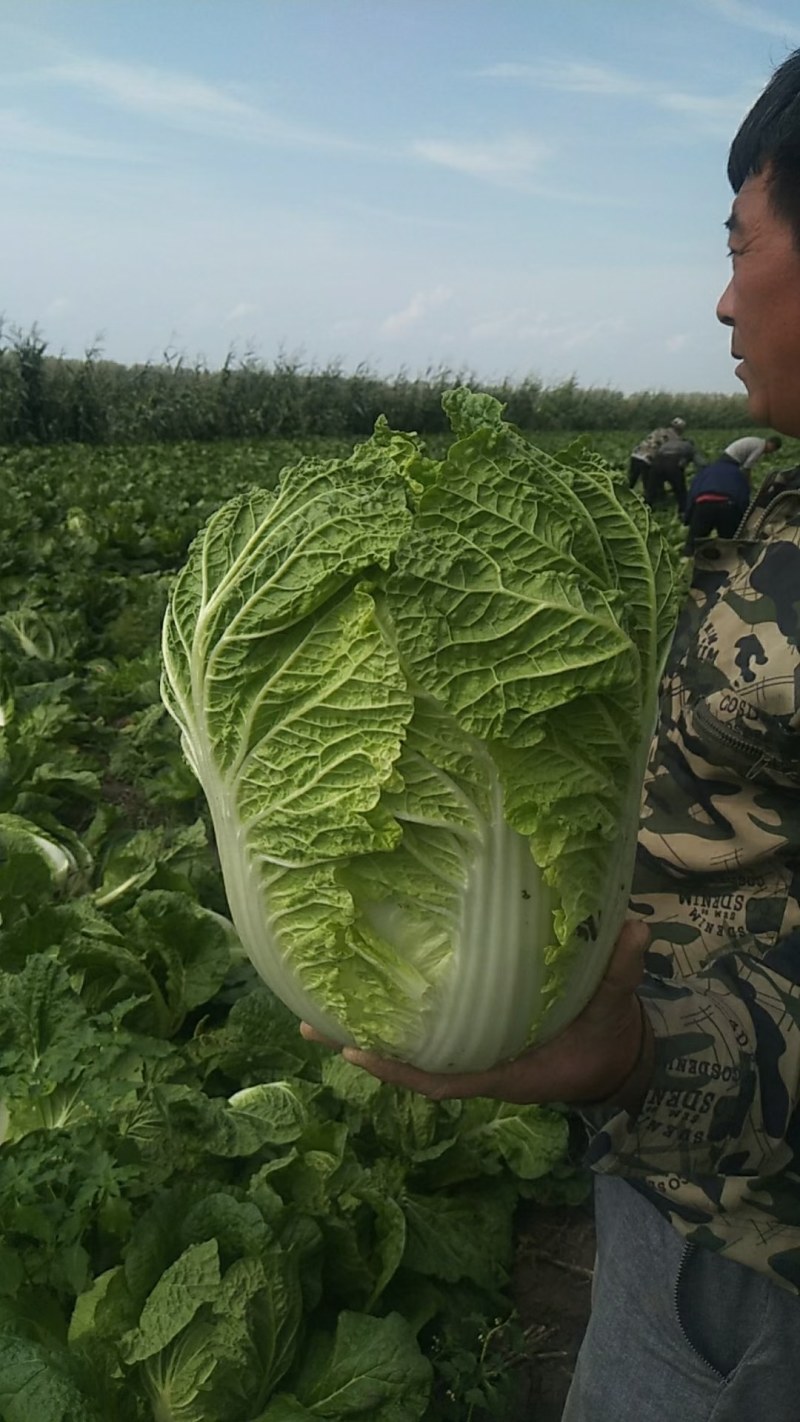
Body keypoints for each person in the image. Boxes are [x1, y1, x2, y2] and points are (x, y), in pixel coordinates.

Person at [302, 48, 800, 1421]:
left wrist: (649, 1057)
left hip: (756, 1274)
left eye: (741, 242)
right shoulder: (772, 507)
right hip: (673, 1186)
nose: (720, 295)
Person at [643, 429, 704, 514]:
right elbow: (701, 463)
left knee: (651, 489)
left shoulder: (668, 444)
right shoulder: (689, 446)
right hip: (672, 464)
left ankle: (646, 509)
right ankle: (684, 511)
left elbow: (654, 455)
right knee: (680, 490)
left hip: (657, 463)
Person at [627, 416, 687, 490]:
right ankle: (650, 499)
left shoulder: (659, 430)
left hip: (636, 454)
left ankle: (622, 495)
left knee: (631, 480)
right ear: (681, 429)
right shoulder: (675, 438)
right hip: (648, 459)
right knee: (649, 483)